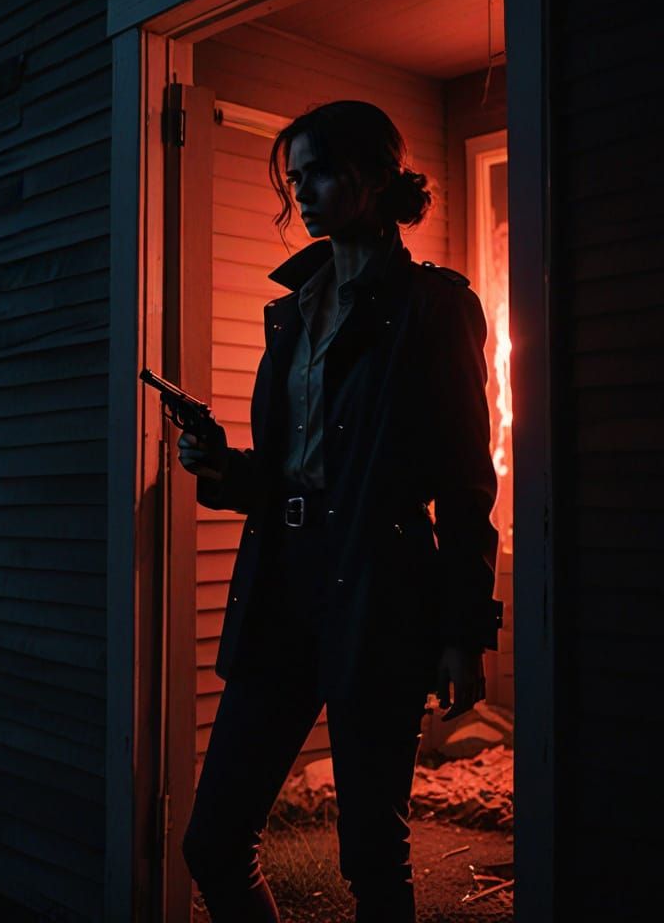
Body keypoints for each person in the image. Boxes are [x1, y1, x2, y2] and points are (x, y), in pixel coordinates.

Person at [177, 99, 502, 923]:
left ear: (373, 174)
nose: (302, 192)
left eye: (317, 171)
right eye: (294, 178)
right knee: (213, 843)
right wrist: (222, 467)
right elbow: (300, 471)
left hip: (382, 596)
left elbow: (468, 482)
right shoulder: (293, 311)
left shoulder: (435, 307)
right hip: (283, 588)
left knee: (373, 864)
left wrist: (465, 630)